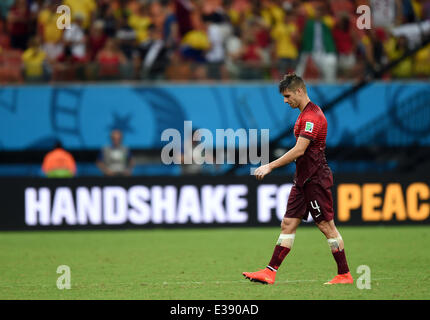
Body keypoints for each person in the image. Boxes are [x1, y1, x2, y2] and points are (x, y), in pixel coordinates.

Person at [242, 73, 353, 285]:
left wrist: (270, 166)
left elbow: (299, 150)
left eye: (287, 96)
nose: (285, 101)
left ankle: (344, 274)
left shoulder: (312, 117)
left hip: (315, 180)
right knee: (288, 223)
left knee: (326, 227)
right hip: (303, 180)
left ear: (299, 91)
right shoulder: (304, 115)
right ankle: (270, 272)